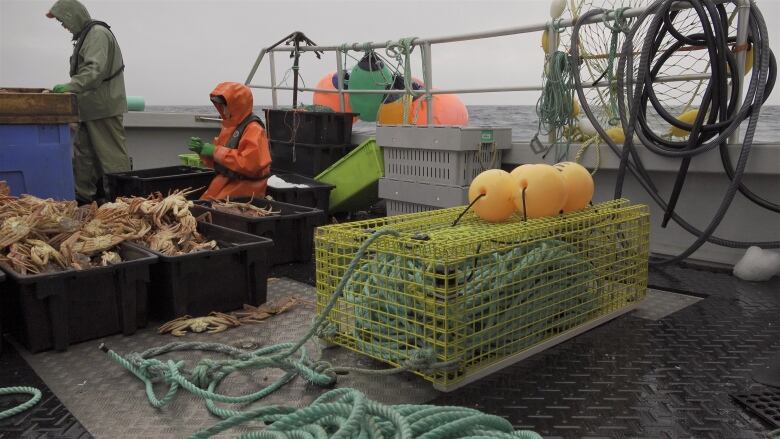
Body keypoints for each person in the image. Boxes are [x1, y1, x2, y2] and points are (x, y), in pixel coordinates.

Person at [47, 0, 130, 204]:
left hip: (104, 108)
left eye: (62, 21)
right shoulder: (87, 36)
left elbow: (94, 70)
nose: (63, 26)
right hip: (89, 108)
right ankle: (83, 200)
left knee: (112, 158)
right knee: (84, 157)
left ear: (72, 15)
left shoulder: (97, 34)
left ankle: (125, 202)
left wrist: (70, 86)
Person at [187, 82, 272, 200]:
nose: (222, 109)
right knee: (199, 207)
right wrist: (202, 151)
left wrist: (214, 151)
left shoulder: (254, 129)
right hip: (226, 182)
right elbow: (219, 163)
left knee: (206, 210)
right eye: (220, 105)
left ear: (238, 105)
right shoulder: (229, 127)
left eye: (225, 105)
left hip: (246, 189)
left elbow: (250, 164)